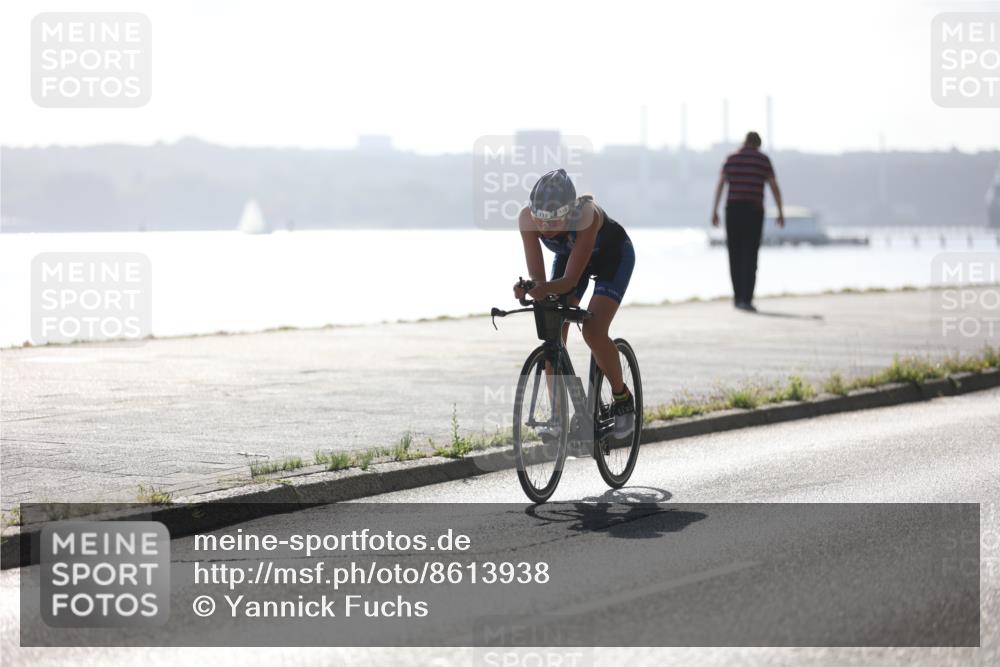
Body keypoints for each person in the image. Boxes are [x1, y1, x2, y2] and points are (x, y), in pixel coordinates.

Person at [513, 168, 637, 438]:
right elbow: (539, 280)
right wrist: (529, 288)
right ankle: (558, 419)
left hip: (612, 258)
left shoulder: (586, 215)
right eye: (540, 219)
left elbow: (569, 281)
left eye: (553, 220)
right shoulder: (526, 218)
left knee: (593, 331)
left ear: (569, 213)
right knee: (553, 333)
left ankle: (623, 398)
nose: (544, 227)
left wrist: (542, 288)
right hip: (572, 257)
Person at [711, 131, 785, 312]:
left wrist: (715, 210)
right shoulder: (763, 160)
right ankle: (747, 299)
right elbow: (774, 186)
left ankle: (738, 298)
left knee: (734, 254)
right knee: (751, 255)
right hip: (754, 211)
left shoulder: (731, 159)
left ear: (744, 142)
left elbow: (720, 184)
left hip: (733, 210)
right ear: (758, 144)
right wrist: (780, 211)